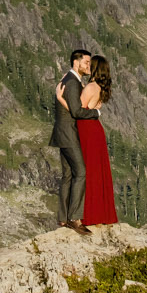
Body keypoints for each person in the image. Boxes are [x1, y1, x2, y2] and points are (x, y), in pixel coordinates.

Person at [50, 49, 93, 234]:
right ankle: (75, 218)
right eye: (86, 62)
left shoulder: (68, 79)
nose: (88, 66)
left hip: (61, 132)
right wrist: (95, 113)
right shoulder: (73, 83)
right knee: (81, 172)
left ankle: (62, 218)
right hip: (69, 133)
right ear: (77, 62)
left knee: (67, 175)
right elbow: (76, 112)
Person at [78, 54, 118, 228]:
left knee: (88, 171)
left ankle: (89, 215)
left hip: (87, 129)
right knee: (98, 172)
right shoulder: (100, 87)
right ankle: (101, 213)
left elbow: (78, 110)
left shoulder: (90, 87)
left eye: (90, 64)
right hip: (96, 129)